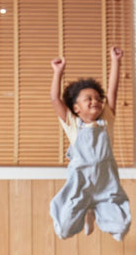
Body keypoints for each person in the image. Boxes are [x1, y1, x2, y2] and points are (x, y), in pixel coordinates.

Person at [49, 46, 131, 242]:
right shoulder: (73, 125)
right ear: (76, 108)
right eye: (88, 99)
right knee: (65, 229)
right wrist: (58, 72)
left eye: (97, 98)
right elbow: (54, 99)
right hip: (81, 184)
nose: (95, 101)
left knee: (121, 228)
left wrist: (116, 62)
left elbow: (112, 90)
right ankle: (86, 210)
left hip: (106, 183)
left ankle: (94, 210)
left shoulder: (106, 121)